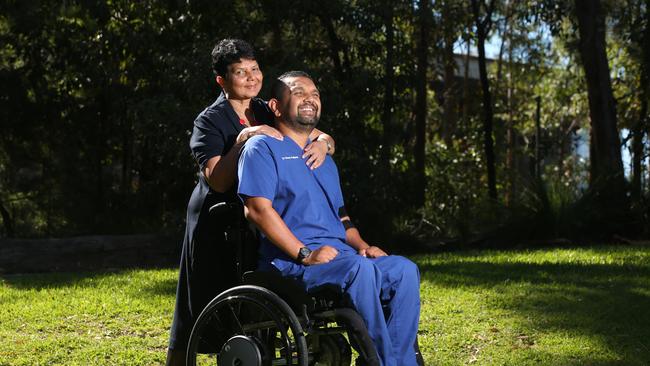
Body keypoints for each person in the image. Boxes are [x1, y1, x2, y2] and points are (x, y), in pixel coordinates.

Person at [166, 40, 336, 366]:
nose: (251, 77)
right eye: (240, 72)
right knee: (196, 306)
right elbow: (217, 179)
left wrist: (325, 142)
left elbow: (306, 128)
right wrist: (245, 138)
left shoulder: (265, 108)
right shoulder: (210, 120)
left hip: (257, 215)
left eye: (254, 69)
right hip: (215, 221)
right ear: (221, 80)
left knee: (253, 302)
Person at [238, 71, 421, 366]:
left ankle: (397, 361)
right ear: (276, 106)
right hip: (292, 263)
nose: (310, 98)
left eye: (315, 94)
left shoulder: (324, 158)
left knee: (403, 270)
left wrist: (363, 245)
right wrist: (305, 253)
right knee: (360, 271)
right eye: (299, 92)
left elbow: (342, 216)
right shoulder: (262, 148)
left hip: (346, 257)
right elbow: (257, 210)